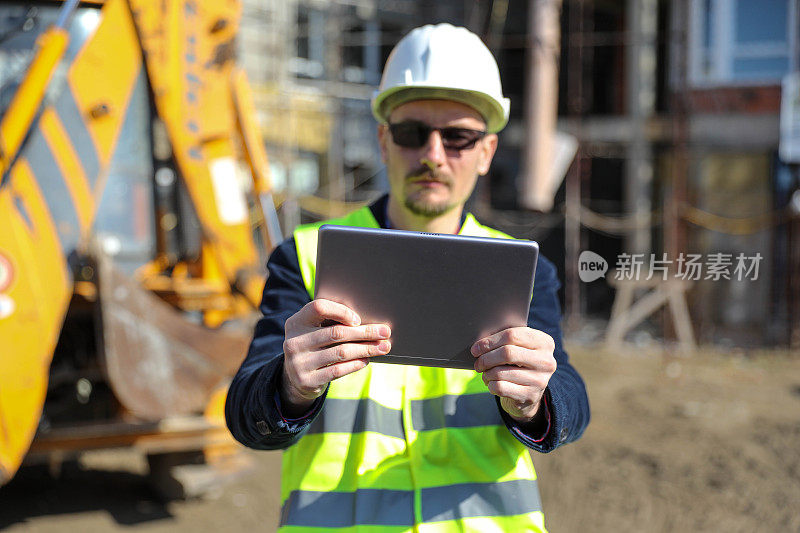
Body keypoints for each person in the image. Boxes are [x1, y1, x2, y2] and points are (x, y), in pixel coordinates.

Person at [226, 23, 590, 532]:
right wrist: (288, 388)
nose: (433, 155)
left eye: (459, 136)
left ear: (487, 152)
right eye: (411, 132)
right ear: (383, 140)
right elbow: (246, 414)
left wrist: (537, 400)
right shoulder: (306, 257)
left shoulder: (524, 270)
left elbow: (571, 398)